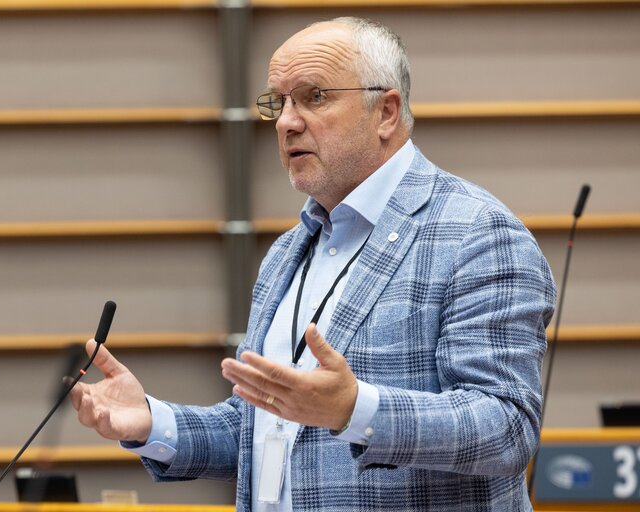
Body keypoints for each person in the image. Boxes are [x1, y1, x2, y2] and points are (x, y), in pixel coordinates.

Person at [70, 17, 555, 511]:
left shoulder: (476, 232)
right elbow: (264, 426)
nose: (286, 122)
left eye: (314, 96)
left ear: (386, 112)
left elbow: (507, 427)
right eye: (278, 103)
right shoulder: (287, 253)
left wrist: (356, 409)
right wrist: (152, 421)